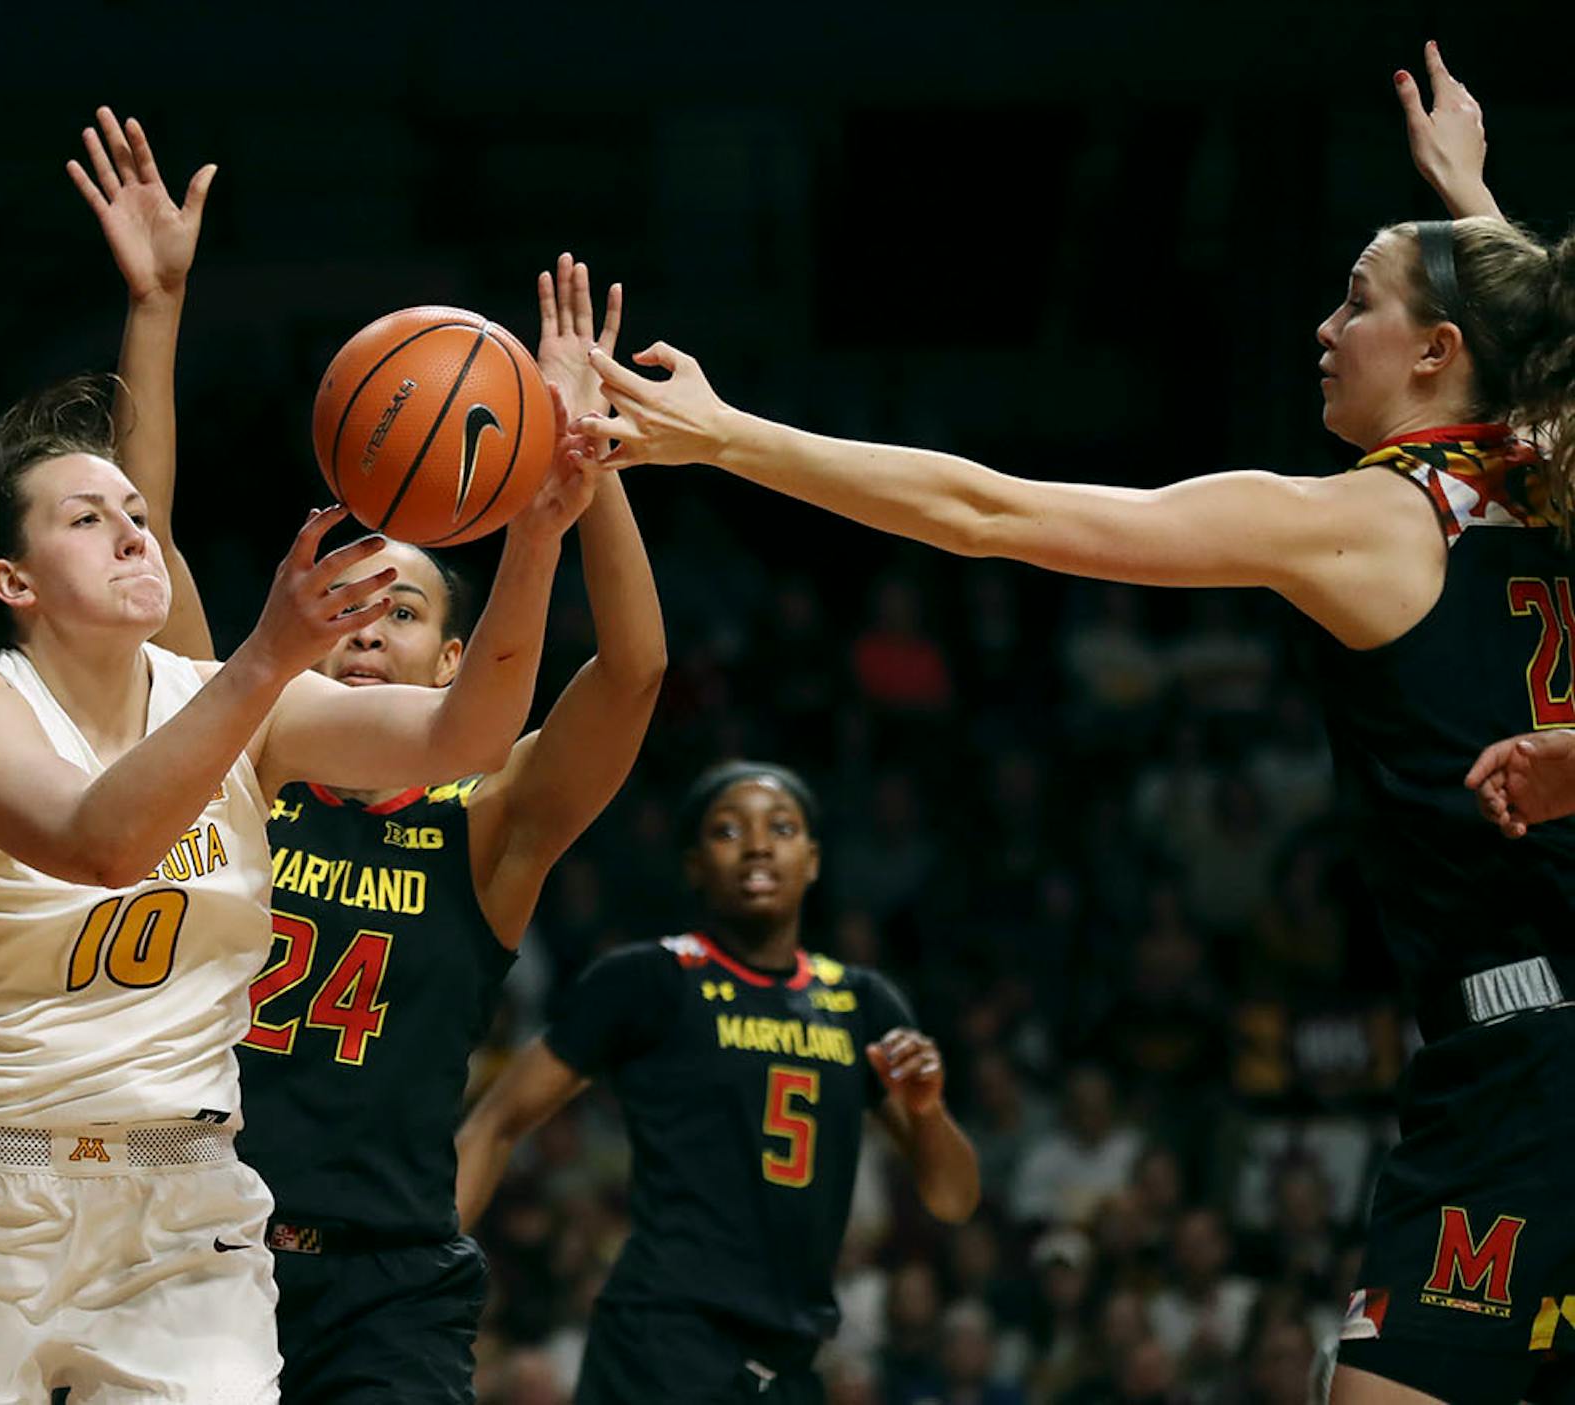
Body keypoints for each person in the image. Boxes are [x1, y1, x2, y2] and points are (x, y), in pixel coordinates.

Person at [571, 43, 1575, 1405]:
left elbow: (994, 512)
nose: (1325, 329)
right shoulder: (1551, 467)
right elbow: (1533, 337)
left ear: (1437, 353)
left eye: (1358, 304)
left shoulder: (1368, 522)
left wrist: (734, 435)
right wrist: (1471, 198)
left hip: (1524, 1064)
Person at [0, 260, 598, 1403]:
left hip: (181, 1210)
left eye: (139, 516)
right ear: (13, 580)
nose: (134, 533)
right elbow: (105, 841)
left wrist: (536, 534)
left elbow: (470, 732)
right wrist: (269, 656)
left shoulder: (246, 703)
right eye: (89, 520)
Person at [68, 110, 667, 1401]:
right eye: (348, 596)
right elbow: (140, 538)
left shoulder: (487, 818)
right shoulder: (245, 747)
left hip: (389, 1282)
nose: (365, 624)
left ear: (462, 666)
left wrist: (578, 459)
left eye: (403, 609)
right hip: (189, 1253)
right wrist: (157, 307)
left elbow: (632, 674)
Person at [454, 761, 980, 1403]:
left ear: (812, 859)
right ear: (693, 865)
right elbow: (495, 1121)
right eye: (729, 831)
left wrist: (926, 1113)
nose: (758, 844)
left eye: (781, 828)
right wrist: (419, 1269)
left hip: (789, 1358)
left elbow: (954, 1198)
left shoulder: (864, 1003)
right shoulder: (649, 980)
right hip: (661, 1340)